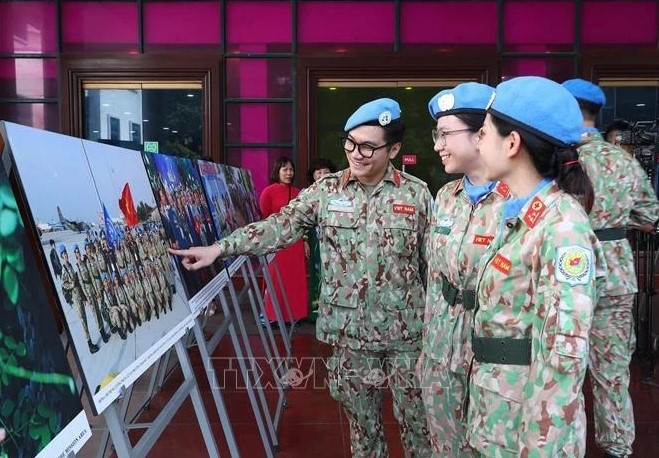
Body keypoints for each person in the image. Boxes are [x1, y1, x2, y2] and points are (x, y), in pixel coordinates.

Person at [169, 98, 433, 456]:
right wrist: (220, 248)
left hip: (406, 333)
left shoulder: (416, 194)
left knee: (418, 426)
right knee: (364, 430)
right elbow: (279, 226)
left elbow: (429, 267)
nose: (356, 154)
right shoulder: (327, 192)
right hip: (350, 333)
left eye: (369, 146)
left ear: (394, 149)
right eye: (350, 143)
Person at [472, 76, 607, 456]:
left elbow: (564, 359)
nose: (477, 141)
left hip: (528, 431)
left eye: (483, 132)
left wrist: (542, 447)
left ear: (512, 142)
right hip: (500, 412)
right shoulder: (518, 213)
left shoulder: (561, 227)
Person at [562, 78, 659, 458]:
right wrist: (616, 221)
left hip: (566, 272)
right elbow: (651, 215)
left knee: (562, 371)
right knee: (612, 375)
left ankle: (565, 447)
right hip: (616, 274)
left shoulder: (558, 158)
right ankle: (618, 449)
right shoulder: (623, 160)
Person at [417, 82, 509, 456]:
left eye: (445, 134)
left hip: (496, 360)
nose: (437, 144)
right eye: (435, 134)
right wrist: (428, 350)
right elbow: (435, 278)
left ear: (481, 134)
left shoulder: (520, 199)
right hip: (441, 353)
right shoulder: (446, 197)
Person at [258, 156, 309, 326]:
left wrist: (305, 240)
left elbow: (302, 219)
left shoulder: (298, 193)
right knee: (275, 279)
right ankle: (271, 315)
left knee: (294, 280)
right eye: (285, 169)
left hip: (295, 242)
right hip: (276, 241)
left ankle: (294, 315)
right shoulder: (268, 191)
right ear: (277, 171)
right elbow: (264, 217)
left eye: (291, 169)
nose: (289, 173)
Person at [304, 157, 337, 322]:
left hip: (335, 241)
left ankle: (334, 311)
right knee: (317, 274)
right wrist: (304, 240)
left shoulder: (339, 191)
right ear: (314, 175)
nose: (323, 175)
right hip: (316, 240)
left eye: (326, 172)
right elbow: (299, 220)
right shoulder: (307, 193)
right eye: (319, 172)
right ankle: (316, 310)